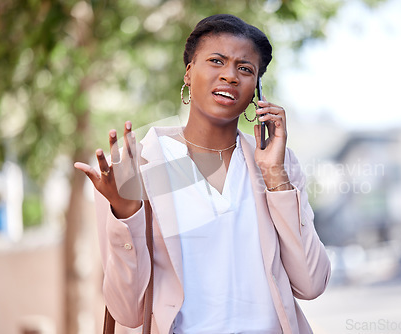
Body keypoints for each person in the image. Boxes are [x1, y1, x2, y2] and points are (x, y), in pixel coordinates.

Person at [75, 14, 330, 334]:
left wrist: (276, 176)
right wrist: (127, 213)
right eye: (216, 61)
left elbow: (312, 283)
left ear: (257, 90)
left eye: (245, 69)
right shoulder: (136, 168)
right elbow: (127, 312)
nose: (230, 76)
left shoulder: (278, 166)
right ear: (188, 73)